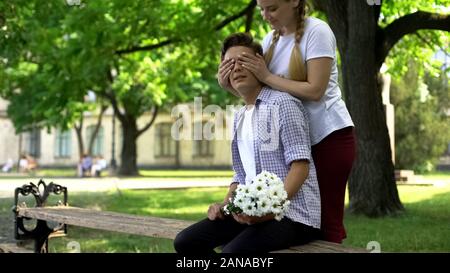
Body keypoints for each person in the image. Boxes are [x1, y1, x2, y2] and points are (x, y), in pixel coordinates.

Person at [218, 0, 356, 244]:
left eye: (272, 8)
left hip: (328, 138)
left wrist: (267, 75)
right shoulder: (270, 40)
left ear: (294, 2)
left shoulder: (317, 31)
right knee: (286, 225)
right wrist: (230, 86)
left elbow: (315, 90)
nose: (265, 15)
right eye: (261, 9)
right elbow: (264, 95)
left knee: (325, 223)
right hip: (294, 140)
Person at [174, 33, 321, 254]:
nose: (237, 68)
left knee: (232, 255)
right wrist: (225, 207)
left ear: (260, 64)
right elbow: (240, 177)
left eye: (243, 61)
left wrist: (269, 212)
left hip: (293, 216)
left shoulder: (284, 104)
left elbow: (300, 167)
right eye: (229, 64)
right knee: (186, 242)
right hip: (252, 212)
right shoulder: (240, 115)